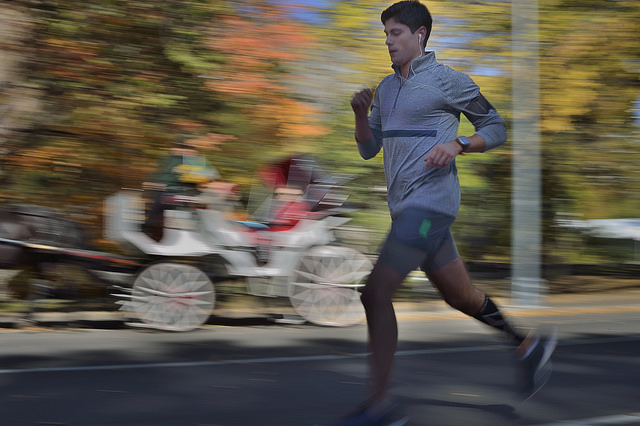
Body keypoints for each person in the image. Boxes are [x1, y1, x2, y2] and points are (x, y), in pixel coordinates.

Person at [339, 1, 557, 424]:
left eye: (396, 33)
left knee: (375, 292)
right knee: (460, 297)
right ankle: (528, 344)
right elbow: (369, 150)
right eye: (385, 33)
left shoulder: (448, 81)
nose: (388, 41)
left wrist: (459, 144)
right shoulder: (385, 88)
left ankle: (380, 407)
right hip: (406, 209)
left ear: (419, 35)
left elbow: (496, 127)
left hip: (430, 206)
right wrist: (360, 116)